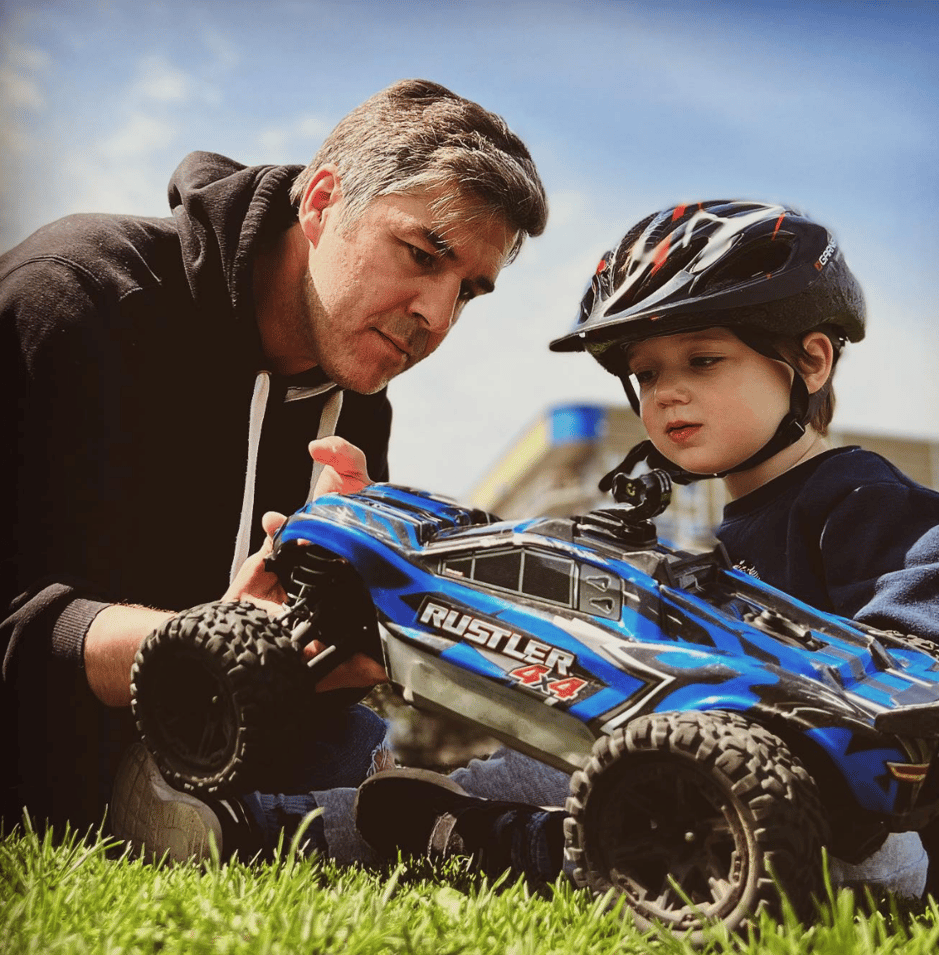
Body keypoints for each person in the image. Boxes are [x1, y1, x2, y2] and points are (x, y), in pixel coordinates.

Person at [353, 200, 939, 904]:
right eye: (645, 374)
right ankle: (262, 817)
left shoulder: (897, 517)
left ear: (812, 360)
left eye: (703, 359)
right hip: (705, 787)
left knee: (661, 791)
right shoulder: (716, 552)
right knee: (514, 764)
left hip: (899, 860)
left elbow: (929, 696)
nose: (667, 393)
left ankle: (501, 840)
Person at [0, 78, 550, 843]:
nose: (437, 317)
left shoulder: (359, 397)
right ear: (321, 200)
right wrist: (202, 641)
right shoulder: (73, 297)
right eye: (423, 255)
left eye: (469, 292)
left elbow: (301, 674)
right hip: (41, 735)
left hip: (212, 741)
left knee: (430, 787)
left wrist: (348, 633)